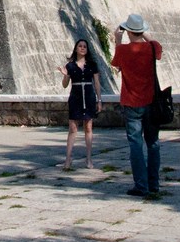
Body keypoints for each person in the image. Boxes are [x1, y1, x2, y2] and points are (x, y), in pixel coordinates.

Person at [110, 13, 162, 198]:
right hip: (151, 103)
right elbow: (155, 45)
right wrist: (143, 33)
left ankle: (141, 185)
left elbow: (116, 63)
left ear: (129, 31)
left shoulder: (123, 50)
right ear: (141, 30)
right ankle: (154, 183)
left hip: (131, 103)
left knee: (136, 145)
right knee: (153, 144)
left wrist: (118, 39)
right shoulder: (152, 48)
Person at [58, 38, 101, 170]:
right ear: (76, 48)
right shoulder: (70, 66)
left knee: (88, 127)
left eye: (85, 46)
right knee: (73, 129)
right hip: (75, 97)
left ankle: (88, 158)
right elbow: (65, 85)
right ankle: (68, 159)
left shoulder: (92, 65)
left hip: (88, 96)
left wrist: (99, 100)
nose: (82, 48)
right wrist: (65, 75)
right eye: (80, 46)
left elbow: (97, 83)